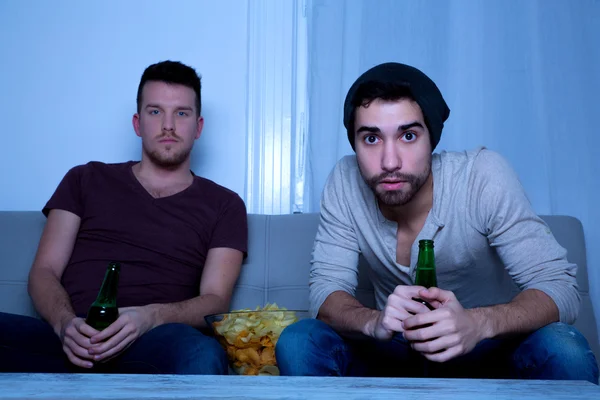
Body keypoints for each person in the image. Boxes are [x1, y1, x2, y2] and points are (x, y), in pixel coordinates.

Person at [275, 62, 598, 383]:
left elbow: (561, 288)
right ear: (355, 145)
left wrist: (478, 323)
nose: (390, 162)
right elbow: (325, 292)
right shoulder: (345, 181)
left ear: (432, 139)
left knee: (563, 348)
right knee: (300, 340)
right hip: (394, 348)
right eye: (371, 139)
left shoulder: (481, 176)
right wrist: (375, 322)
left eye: (409, 135)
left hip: (486, 346)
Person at [0, 60, 248, 374]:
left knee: (201, 353)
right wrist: (65, 325)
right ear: (137, 123)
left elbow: (215, 300)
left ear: (198, 127)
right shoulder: (85, 179)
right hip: (70, 339)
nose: (168, 125)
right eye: (155, 111)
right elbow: (44, 271)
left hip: (154, 343)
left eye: (181, 113)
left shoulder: (224, 204)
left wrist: (150, 317)